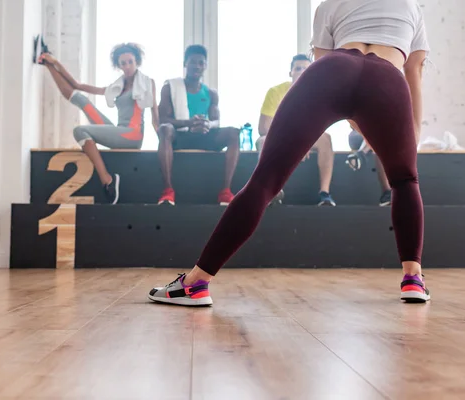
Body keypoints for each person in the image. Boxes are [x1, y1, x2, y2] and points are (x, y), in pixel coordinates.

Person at [148, 0, 430, 305]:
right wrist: (413, 128)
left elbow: (331, 66)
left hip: (333, 70)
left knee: (264, 181)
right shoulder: (411, 7)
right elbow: (414, 69)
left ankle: (195, 283)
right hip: (387, 79)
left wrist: (349, 118)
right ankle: (413, 278)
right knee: (404, 180)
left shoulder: (330, 4)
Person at [34, 37, 159, 204]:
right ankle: (46, 62)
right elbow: (76, 85)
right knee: (81, 100)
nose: (127, 66)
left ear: (137, 61)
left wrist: (164, 147)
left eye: (130, 62)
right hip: (119, 131)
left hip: (133, 136)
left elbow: (155, 118)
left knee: (80, 131)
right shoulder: (117, 87)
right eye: (123, 63)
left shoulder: (147, 83)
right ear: (119, 66)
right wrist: (53, 62)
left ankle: (107, 180)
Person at [156, 45, 240, 206]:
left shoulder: (211, 93)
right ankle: (168, 191)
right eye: (193, 62)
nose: (197, 66)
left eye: (201, 63)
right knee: (164, 129)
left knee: (234, 132)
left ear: (205, 66)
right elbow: (163, 119)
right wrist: (189, 123)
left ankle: (225, 192)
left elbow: (217, 121)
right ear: (185, 64)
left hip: (203, 136)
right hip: (180, 136)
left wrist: (207, 124)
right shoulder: (170, 87)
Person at [257, 54, 336, 206]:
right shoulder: (275, 92)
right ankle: (270, 190)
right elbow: (263, 128)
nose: (301, 71)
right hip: (279, 139)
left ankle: (324, 194)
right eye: (297, 68)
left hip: (305, 140)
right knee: (262, 141)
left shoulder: (319, 95)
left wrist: (303, 142)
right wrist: (293, 141)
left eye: (305, 69)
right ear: (290, 72)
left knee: (326, 138)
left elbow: (320, 127)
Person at [347, 130, 392, 206]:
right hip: (359, 135)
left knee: (384, 135)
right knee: (380, 132)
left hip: (386, 137)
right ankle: (387, 192)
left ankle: (361, 154)